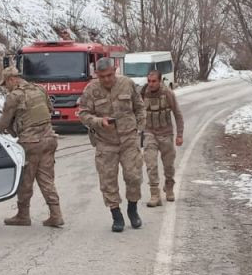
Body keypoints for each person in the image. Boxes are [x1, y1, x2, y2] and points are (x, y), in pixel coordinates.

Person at [76, 56, 144, 232]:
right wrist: (99, 121)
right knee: (108, 181)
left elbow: (139, 107)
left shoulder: (127, 83)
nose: (106, 79)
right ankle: (116, 215)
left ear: (114, 70)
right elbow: (83, 114)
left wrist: (139, 129)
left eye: (109, 75)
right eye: (102, 76)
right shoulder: (91, 90)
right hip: (105, 142)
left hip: (129, 139)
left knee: (134, 176)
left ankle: (132, 208)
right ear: (97, 75)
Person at [0, 65, 65, 228]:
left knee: (25, 180)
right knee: (46, 179)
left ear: (11, 79)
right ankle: (56, 214)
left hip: (30, 143)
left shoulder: (14, 96)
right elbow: (49, 109)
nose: (6, 88)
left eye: (6, 84)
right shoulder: (39, 89)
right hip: (49, 139)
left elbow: (4, 122)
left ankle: (23, 215)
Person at [139, 69, 185, 207]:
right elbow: (136, 111)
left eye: (154, 81)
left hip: (166, 133)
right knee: (150, 164)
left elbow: (177, 114)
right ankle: (155, 194)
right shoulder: (143, 93)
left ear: (160, 81)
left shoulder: (168, 94)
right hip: (149, 133)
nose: (151, 84)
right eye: (149, 81)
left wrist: (180, 135)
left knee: (168, 165)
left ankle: (169, 187)